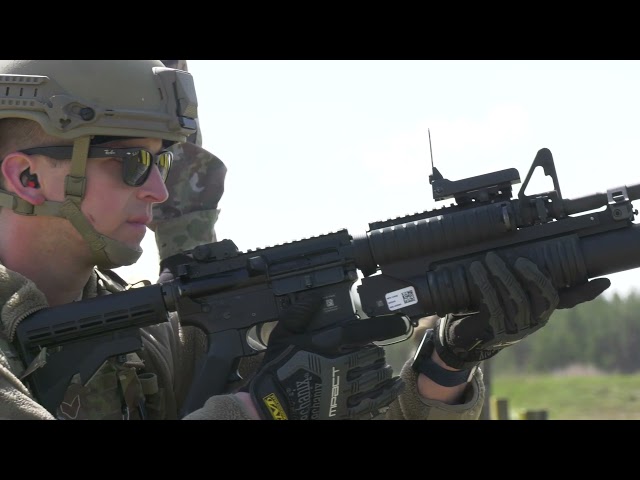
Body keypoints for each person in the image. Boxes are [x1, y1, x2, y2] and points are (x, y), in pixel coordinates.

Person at [0, 60, 611, 420]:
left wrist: (451, 358)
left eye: (163, 162)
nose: (158, 190)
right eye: (133, 162)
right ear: (28, 177)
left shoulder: (149, 336)